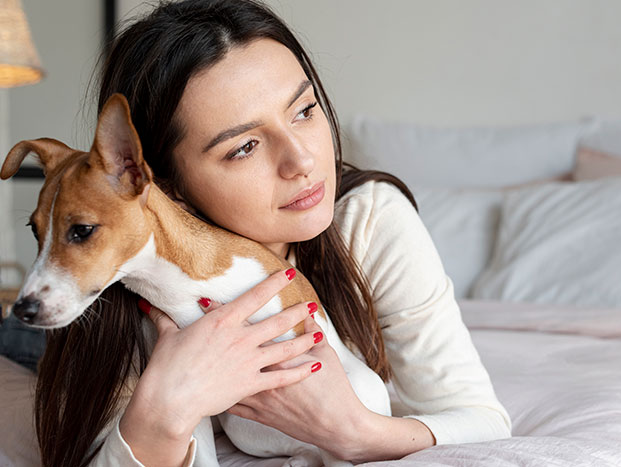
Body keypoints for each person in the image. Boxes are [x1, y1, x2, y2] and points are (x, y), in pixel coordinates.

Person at [33, 1, 512, 466]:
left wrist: (355, 433)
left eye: (303, 110)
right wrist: (164, 411)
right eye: (244, 147)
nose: (301, 161)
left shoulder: (367, 220)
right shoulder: (125, 281)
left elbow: (483, 420)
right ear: (161, 184)